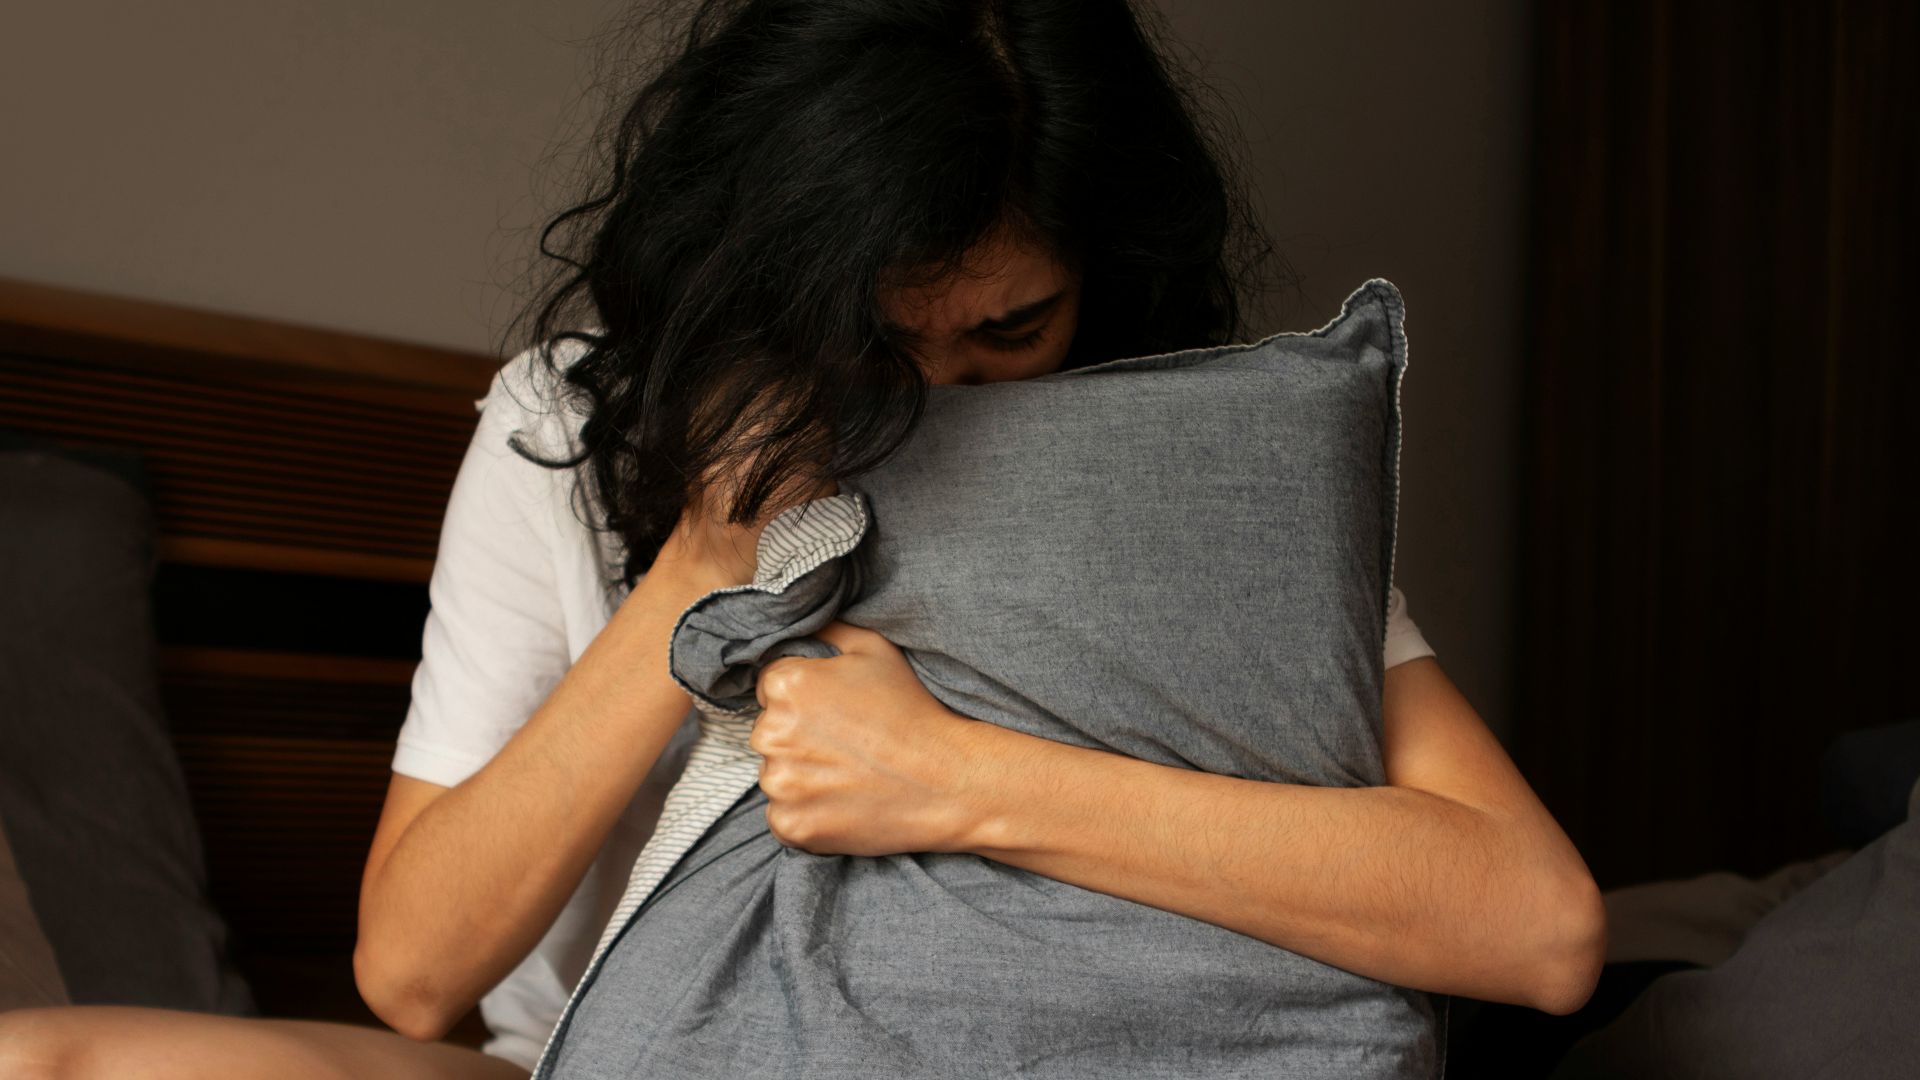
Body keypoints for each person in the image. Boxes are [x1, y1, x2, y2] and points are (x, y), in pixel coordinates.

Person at [0, 1, 1604, 1077]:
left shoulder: (1188, 474)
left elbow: (1536, 927)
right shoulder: (569, 429)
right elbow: (415, 975)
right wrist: (701, 567)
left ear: (1101, 274)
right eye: (871, 339)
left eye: (1008, 329)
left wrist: (966, 784)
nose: (938, 395)